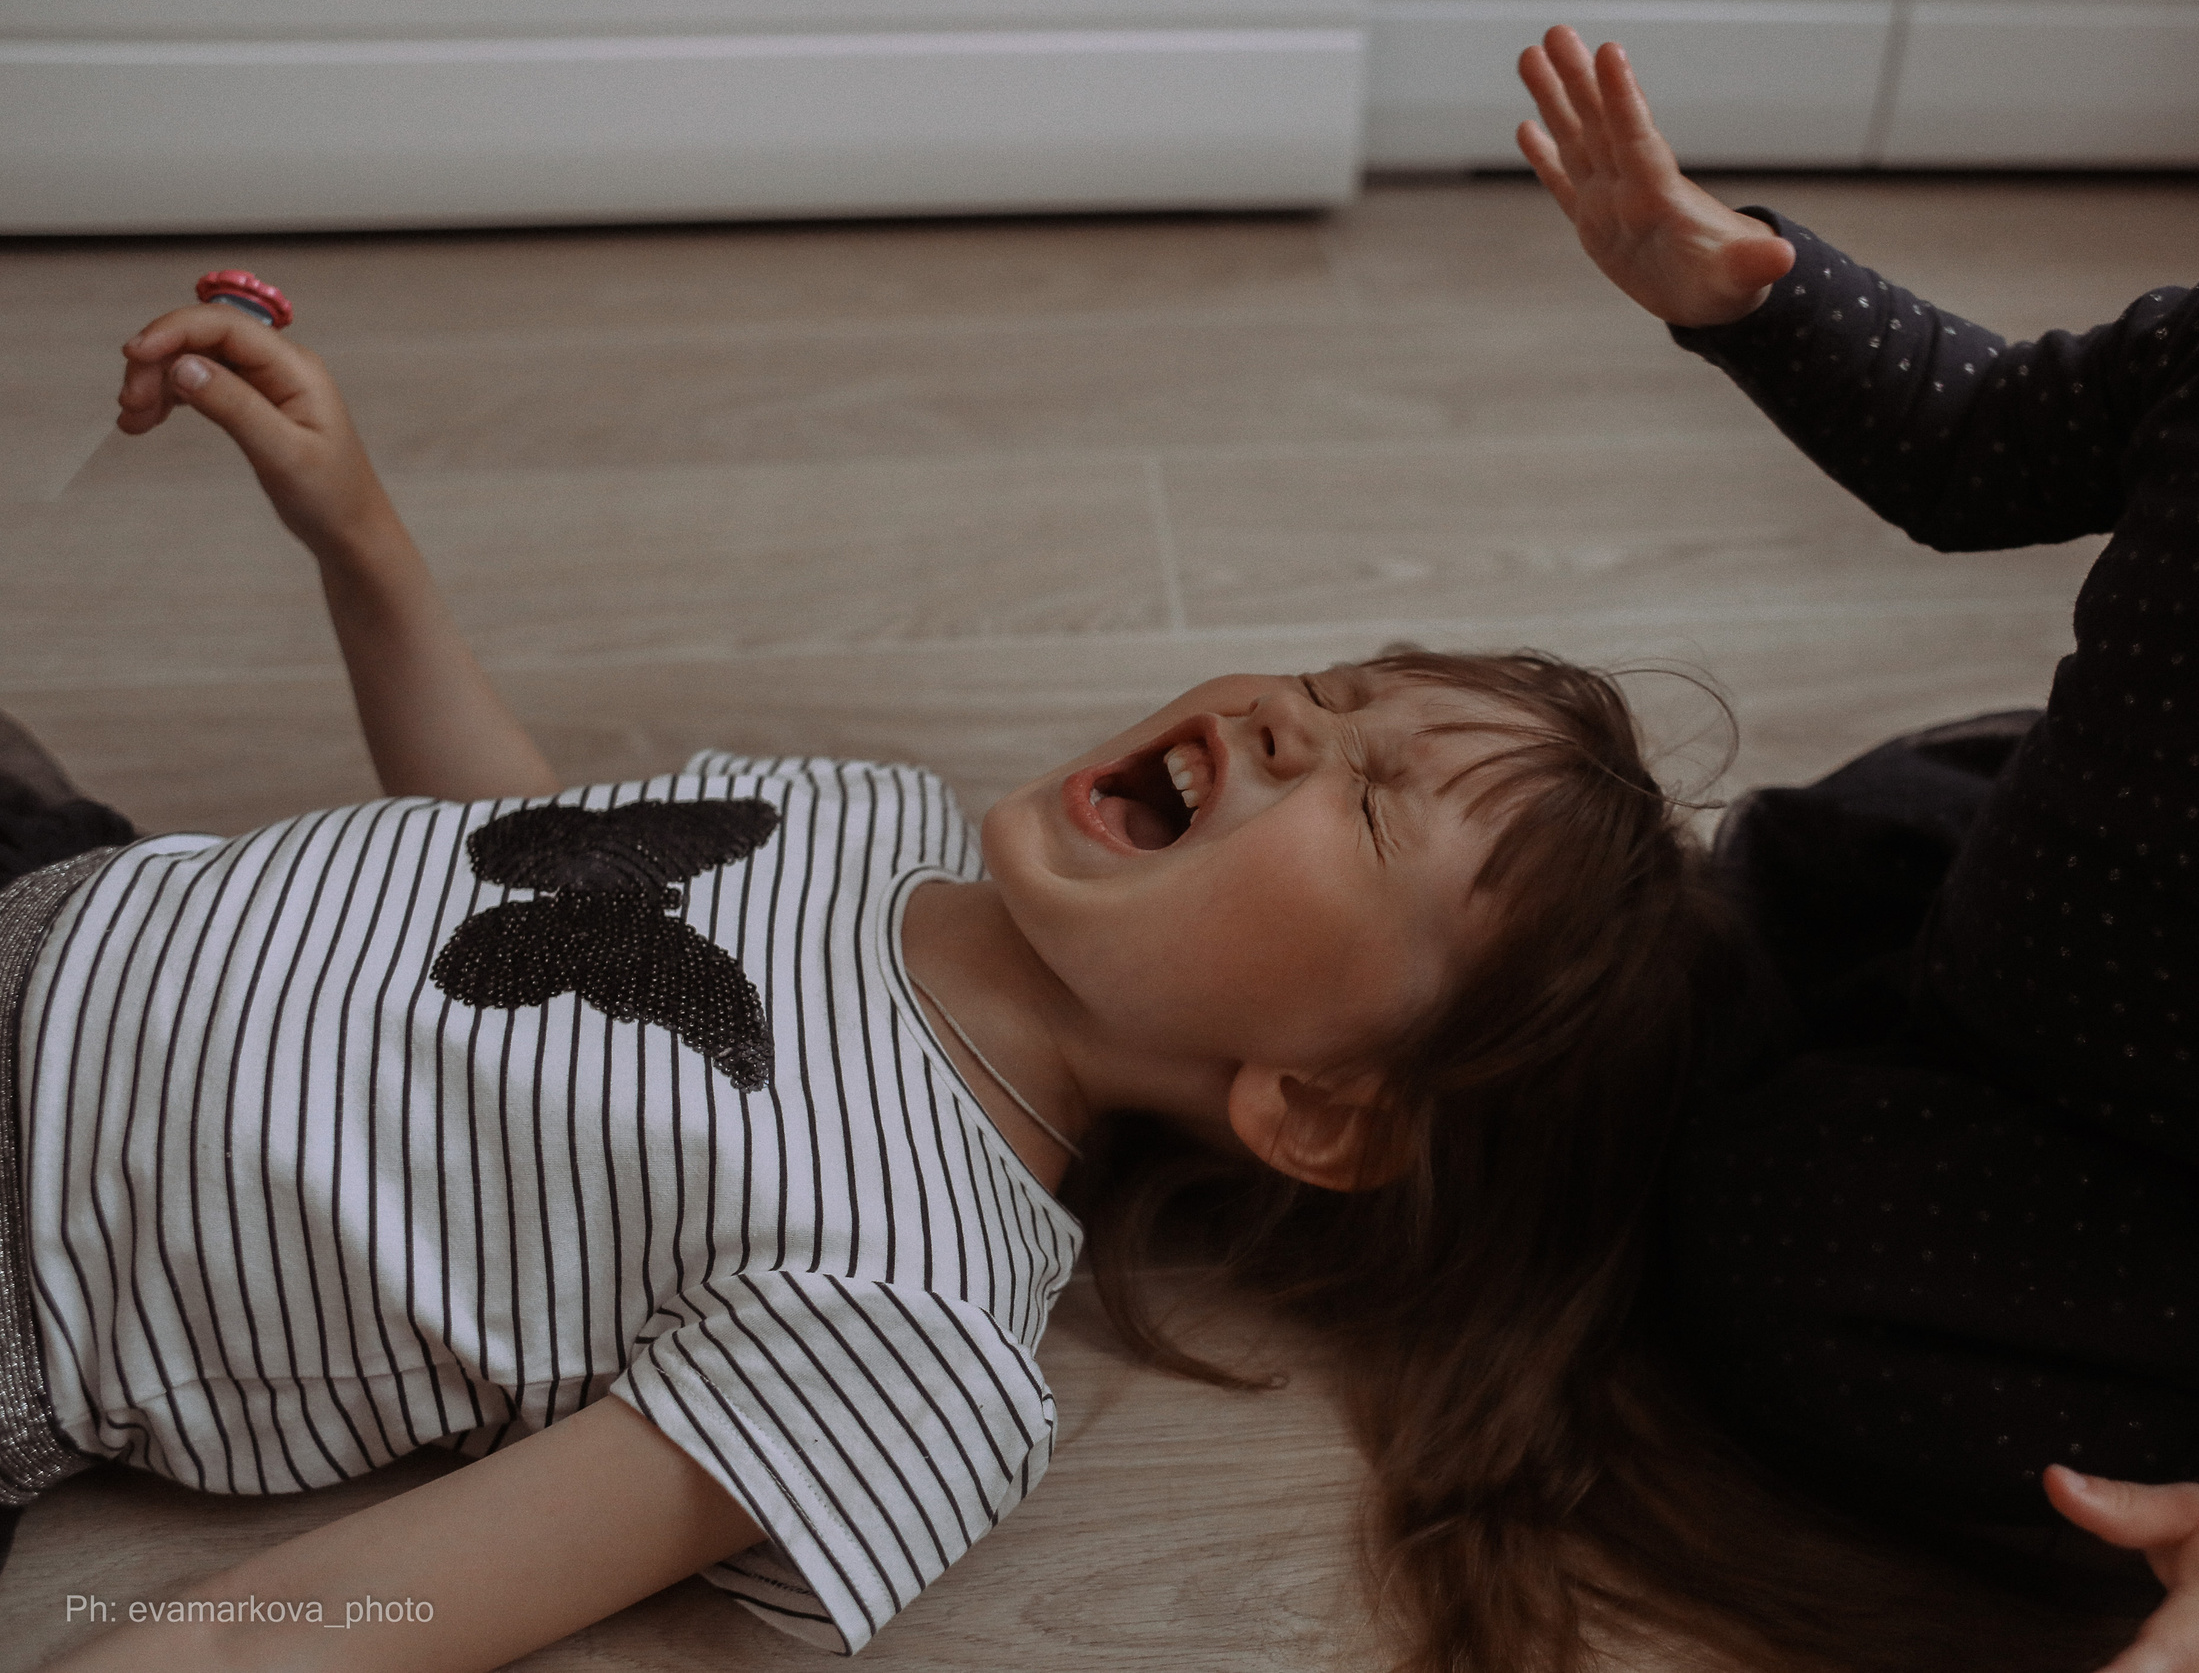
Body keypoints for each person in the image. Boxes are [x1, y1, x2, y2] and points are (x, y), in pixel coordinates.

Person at [1, 290, 1739, 1672]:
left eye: (1368, 802)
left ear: (1317, 1106)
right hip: (66, 889)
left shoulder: (919, 1327)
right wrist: (360, 533)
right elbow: (524, 855)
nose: (1298, 711)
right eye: (1343, 683)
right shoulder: (877, 817)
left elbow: (348, 1613)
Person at [1513, 0, 2199, 1667]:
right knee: (1796, 864)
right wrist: (1755, 298)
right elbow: (1982, 440)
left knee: (1780, 1278)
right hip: (2049, 915)